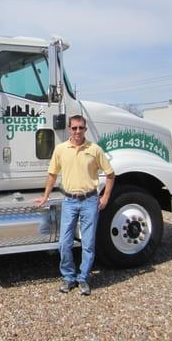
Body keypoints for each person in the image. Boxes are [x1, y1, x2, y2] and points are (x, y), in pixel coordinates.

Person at [36, 115, 115, 296]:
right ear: (69, 129)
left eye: (81, 128)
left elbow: (110, 175)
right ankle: (68, 277)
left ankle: (84, 278)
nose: (77, 131)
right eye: (74, 128)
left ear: (85, 129)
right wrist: (45, 196)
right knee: (64, 243)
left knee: (88, 244)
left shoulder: (95, 150)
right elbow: (52, 175)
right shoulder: (61, 149)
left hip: (90, 201)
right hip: (69, 201)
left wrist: (106, 197)